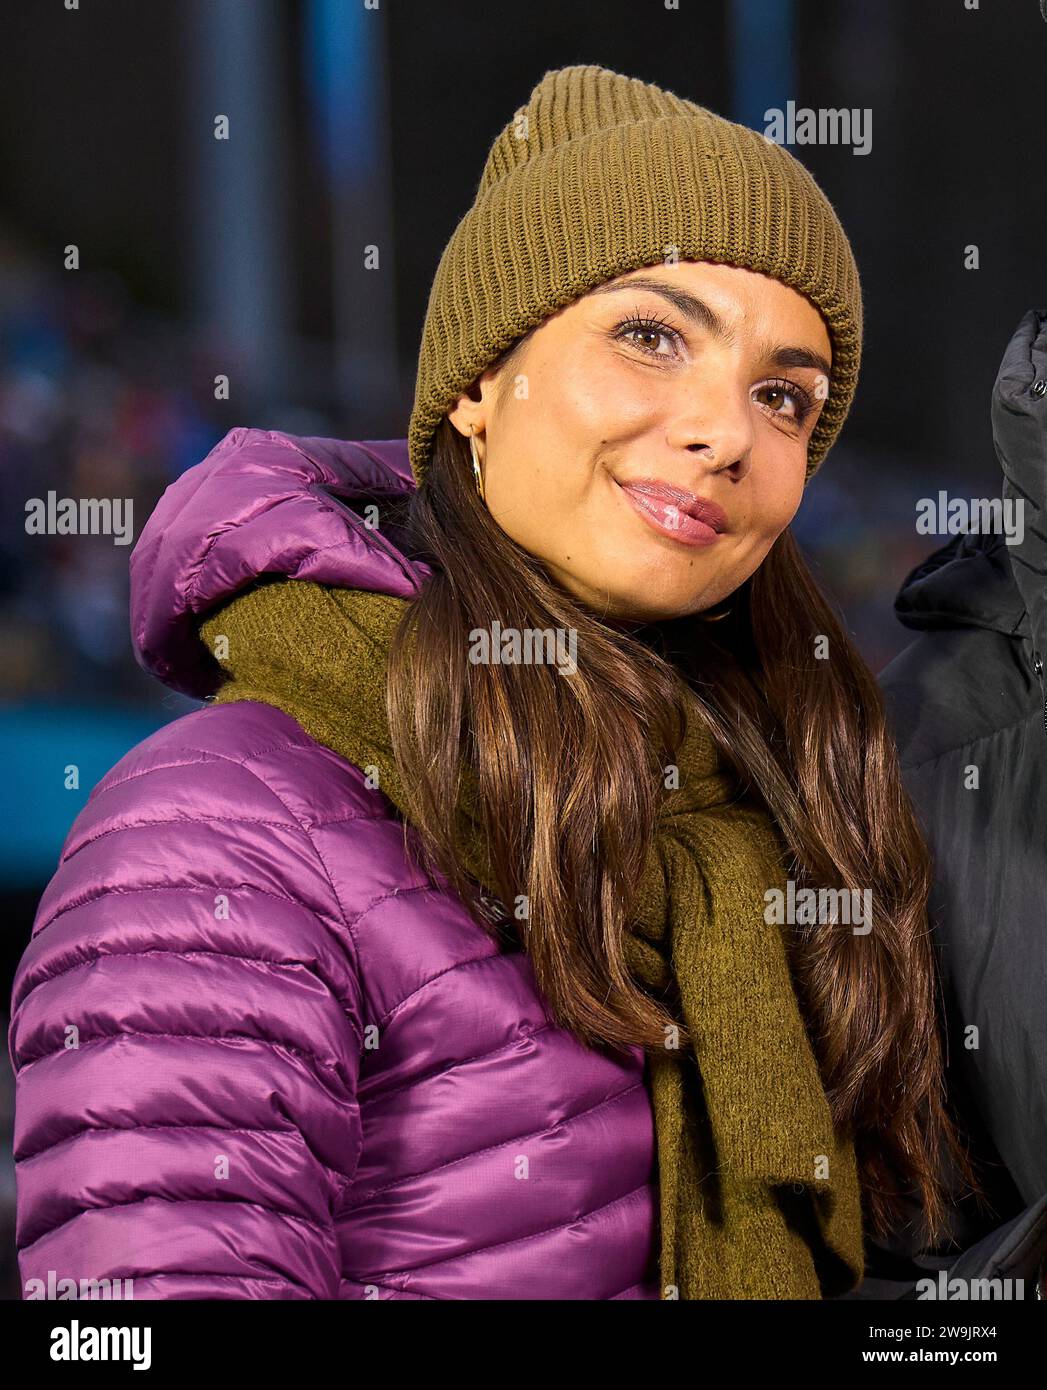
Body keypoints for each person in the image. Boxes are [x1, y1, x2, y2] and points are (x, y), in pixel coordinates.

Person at [5, 63, 1010, 1301]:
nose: (728, 432)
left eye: (783, 396)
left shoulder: (782, 814)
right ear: (480, 384)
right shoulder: (222, 827)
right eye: (651, 335)